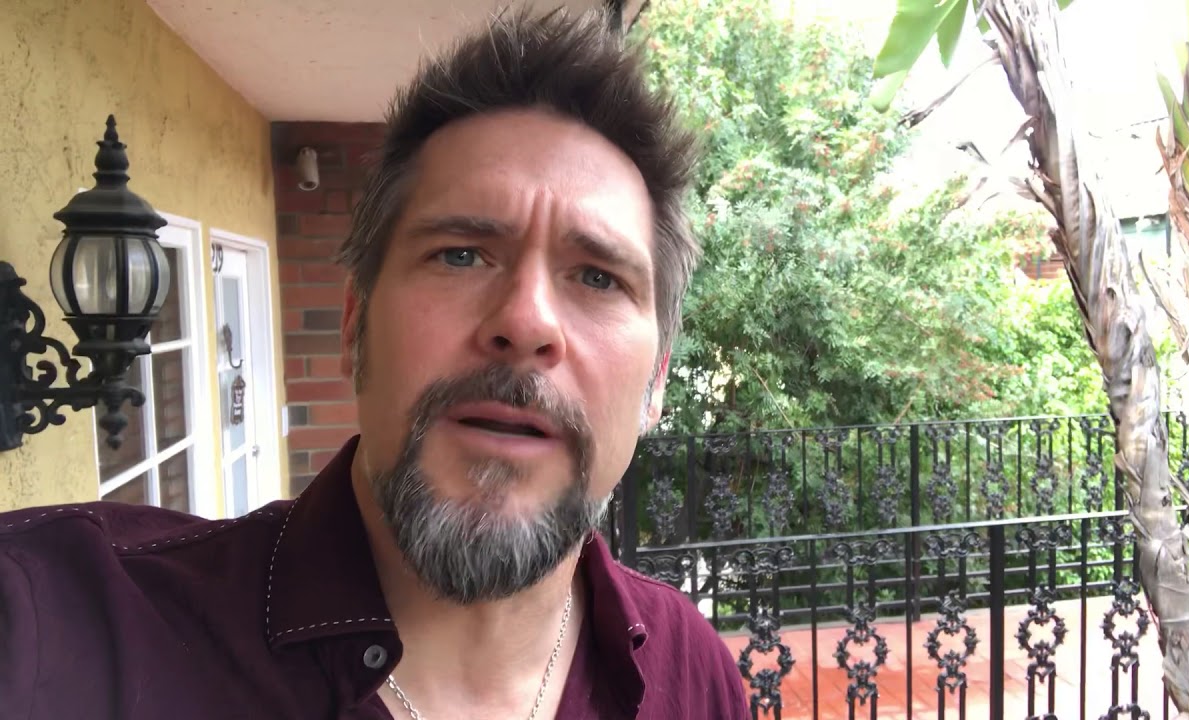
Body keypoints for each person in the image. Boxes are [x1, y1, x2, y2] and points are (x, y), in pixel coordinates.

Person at [0, 7, 750, 720]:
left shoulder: (695, 673)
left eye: (597, 277)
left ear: (656, 381)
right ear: (355, 324)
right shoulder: (54, 628)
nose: (526, 322)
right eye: (460, 254)